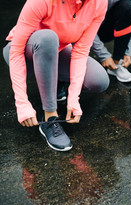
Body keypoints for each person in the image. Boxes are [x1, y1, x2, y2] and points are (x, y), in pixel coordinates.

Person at [3, 0, 109, 151]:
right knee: (48, 38)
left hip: (57, 52)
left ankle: (57, 81)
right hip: (24, 52)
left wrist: (73, 98)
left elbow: (81, 51)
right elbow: (16, 52)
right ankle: (50, 118)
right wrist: (22, 103)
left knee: (99, 80)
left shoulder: (99, 3)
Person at [91, 0, 131, 83]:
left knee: (128, 7)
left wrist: (127, 52)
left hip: (106, 29)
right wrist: (103, 55)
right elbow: (85, 23)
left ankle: (116, 64)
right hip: (86, 26)